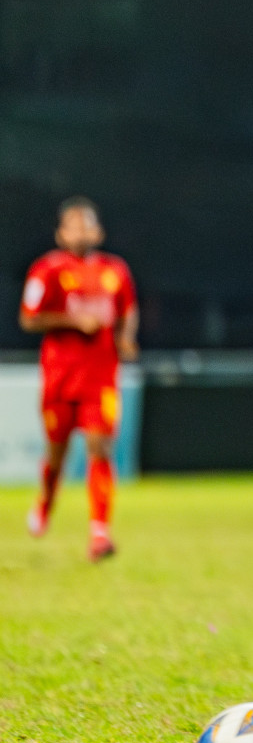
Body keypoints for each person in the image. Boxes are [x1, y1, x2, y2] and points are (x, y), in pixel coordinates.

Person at [18, 197, 139, 562]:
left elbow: (127, 309)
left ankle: (99, 532)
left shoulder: (115, 271)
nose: (82, 230)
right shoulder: (47, 270)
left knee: (100, 447)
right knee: (57, 454)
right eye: (74, 224)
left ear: (99, 230)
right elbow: (29, 318)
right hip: (60, 377)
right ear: (61, 233)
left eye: (88, 224)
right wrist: (73, 322)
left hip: (100, 375)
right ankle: (45, 502)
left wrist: (125, 337)